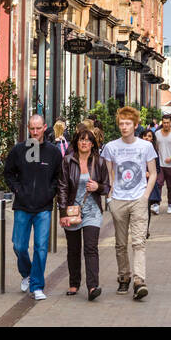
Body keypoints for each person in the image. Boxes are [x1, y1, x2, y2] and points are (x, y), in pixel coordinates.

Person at [101, 106, 159, 300]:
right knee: (120, 243)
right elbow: (108, 175)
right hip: (118, 199)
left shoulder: (145, 146)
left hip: (138, 199)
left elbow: (154, 173)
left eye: (128, 124)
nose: (124, 127)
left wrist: (145, 196)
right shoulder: (110, 147)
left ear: (135, 125)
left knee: (139, 242)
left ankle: (139, 280)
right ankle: (123, 276)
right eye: (121, 124)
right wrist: (109, 197)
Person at [3, 114, 63, 300]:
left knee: (41, 247)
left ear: (45, 127)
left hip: (43, 207)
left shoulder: (53, 152)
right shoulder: (19, 150)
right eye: (32, 128)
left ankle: (37, 285)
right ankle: (27, 274)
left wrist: (50, 192)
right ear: (28, 128)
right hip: (22, 205)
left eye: (38, 128)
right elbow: (8, 173)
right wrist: (18, 190)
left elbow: (58, 177)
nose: (35, 132)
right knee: (19, 245)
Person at [56, 124, 110, 300]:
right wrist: (63, 213)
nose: (85, 142)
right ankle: (74, 283)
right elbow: (62, 187)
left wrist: (98, 186)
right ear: (76, 142)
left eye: (88, 140)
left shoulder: (99, 162)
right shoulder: (68, 161)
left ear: (93, 143)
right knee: (73, 249)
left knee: (90, 247)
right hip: (72, 210)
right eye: (81, 139)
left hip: (92, 211)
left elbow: (107, 187)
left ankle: (93, 286)